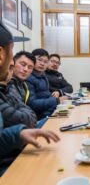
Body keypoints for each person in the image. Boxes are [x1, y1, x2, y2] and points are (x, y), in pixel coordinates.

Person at [0, 21, 60, 158]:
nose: (26, 69)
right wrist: (55, 101)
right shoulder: (10, 85)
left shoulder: (23, 84)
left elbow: (28, 113)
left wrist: (19, 133)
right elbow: (28, 113)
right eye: (21, 64)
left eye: (29, 67)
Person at [26, 49, 67, 119]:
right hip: (40, 117)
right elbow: (32, 104)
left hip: (50, 112)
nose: (42, 63)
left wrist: (59, 103)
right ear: (32, 60)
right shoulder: (28, 78)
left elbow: (47, 95)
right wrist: (57, 100)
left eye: (45, 62)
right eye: (39, 60)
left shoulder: (43, 76)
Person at [0, 59, 37, 128]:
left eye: (10, 68)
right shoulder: (11, 86)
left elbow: (30, 114)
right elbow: (24, 119)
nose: (7, 72)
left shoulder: (20, 85)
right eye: (23, 64)